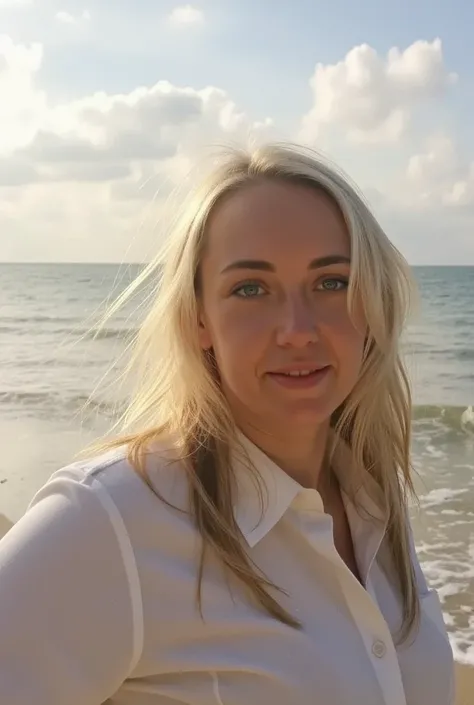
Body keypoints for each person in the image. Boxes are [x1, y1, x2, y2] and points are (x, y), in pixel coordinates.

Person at [0, 143, 455, 705]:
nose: (297, 328)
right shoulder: (112, 518)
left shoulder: (372, 498)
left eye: (332, 281)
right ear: (199, 321)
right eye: (250, 289)